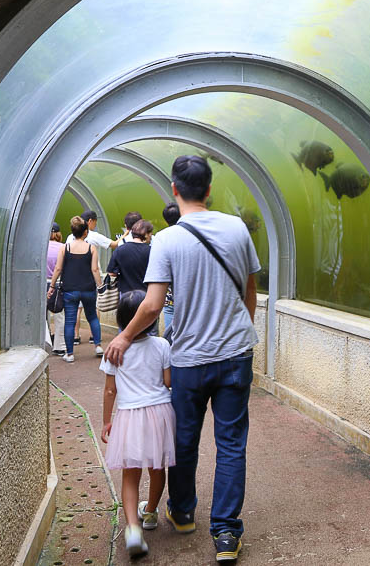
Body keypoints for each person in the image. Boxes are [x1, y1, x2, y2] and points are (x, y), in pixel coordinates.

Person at [105, 156, 260, 563]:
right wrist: (238, 333)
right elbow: (250, 294)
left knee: (184, 439)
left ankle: (184, 510)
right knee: (230, 442)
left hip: (189, 358)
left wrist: (123, 335)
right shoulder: (238, 229)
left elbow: (153, 305)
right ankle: (226, 533)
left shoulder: (169, 239)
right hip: (235, 355)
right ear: (209, 189)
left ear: (175, 190)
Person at [100, 290, 176, 559]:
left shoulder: (114, 348)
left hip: (129, 415)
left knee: (130, 474)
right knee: (157, 467)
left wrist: (107, 421)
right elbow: (168, 382)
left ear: (120, 318)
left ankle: (133, 529)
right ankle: (152, 512)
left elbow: (110, 391)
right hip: (159, 412)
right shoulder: (162, 346)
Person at [48, 216, 103, 361]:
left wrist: (52, 286)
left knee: (70, 321)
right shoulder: (91, 248)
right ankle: (98, 345)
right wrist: (100, 286)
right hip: (88, 289)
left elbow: (58, 268)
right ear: (85, 232)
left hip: (70, 289)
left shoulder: (64, 248)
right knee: (92, 317)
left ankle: (70, 354)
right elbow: (95, 270)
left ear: (72, 232)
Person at [66, 210, 118, 347]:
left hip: (74, 279)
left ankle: (75, 337)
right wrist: (100, 285)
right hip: (90, 280)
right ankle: (95, 339)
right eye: (95, 222)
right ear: (89, 222)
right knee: (94, 310)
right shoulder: (93, 237)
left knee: (76, 310)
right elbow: (113, 244)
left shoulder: (69, 239)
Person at [107, 219, 157, 334]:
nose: (151, 236)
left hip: (125, 295)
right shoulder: (151, 251)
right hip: (147, 295)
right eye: (150, 233)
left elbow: (111, 273)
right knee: (149, 328)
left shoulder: (120, 250)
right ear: (145, 234)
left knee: (125, 326)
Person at [160, 201, 180, 341]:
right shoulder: (189, 235)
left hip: (168, 294)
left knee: (170, 335)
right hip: (185, 294)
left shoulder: (161, 237)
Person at [46, 222, 65, 355]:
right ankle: (59, 346)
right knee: (60, 316)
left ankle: (45, 342)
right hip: (59, 284)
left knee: (43, 316)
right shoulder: (64, 247)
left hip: (42, 283)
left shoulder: (41, 247)